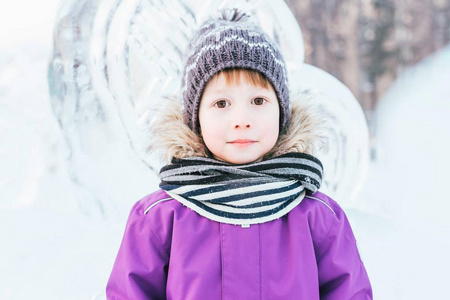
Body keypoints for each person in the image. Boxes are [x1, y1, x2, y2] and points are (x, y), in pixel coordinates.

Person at [106, 8, 372, 299]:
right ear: (195, 117)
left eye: (258, 100)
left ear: (281, 111)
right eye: (222, 103)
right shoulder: (159, 219)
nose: (242, 119)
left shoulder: (319, 218)